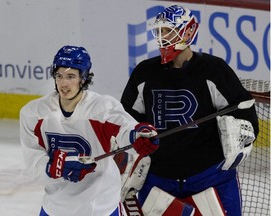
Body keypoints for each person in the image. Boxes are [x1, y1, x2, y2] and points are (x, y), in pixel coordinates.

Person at [120, 5, 259, 216]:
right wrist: (136, 133)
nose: (161, 37)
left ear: (187, 31)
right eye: (158, 31)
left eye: (167, 30)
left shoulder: (213, 70)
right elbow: (126, 118)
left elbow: (245, 111)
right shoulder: (144, 73)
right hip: (159, 178)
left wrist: (240, 140)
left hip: (210, 176)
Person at [20, 45, 159, 216]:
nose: (64, 83)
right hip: (55, 208)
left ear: (83, 78)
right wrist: (52, 168)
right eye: (59, 75)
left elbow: (125, 128)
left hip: (100, 208)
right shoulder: (34, 113)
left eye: (71, 76)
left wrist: (138, 135)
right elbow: (33, 162)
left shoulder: (102, 108)